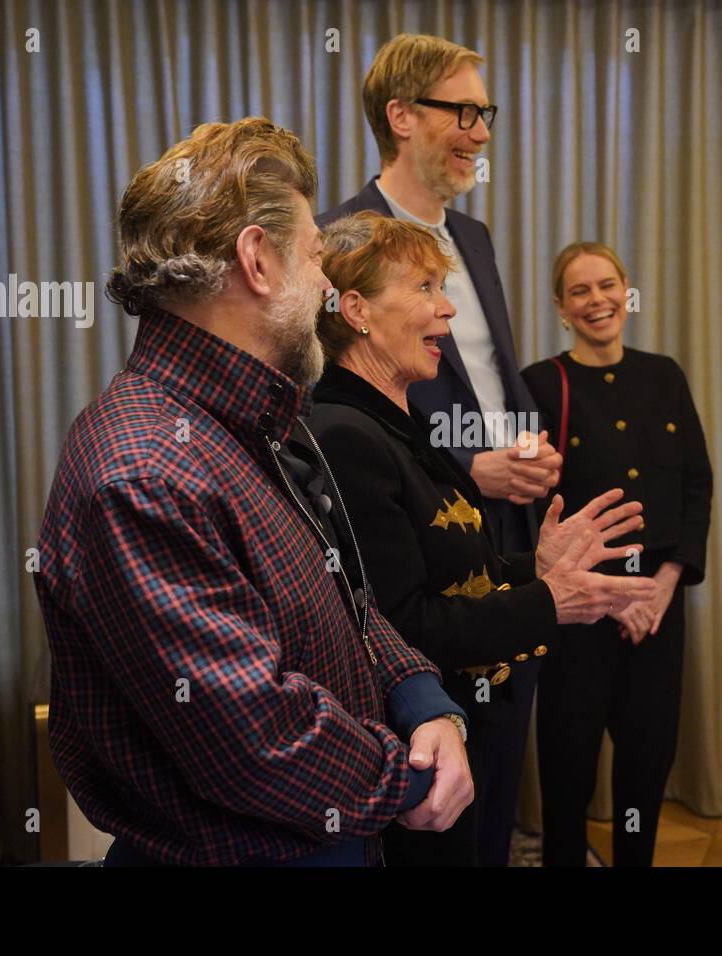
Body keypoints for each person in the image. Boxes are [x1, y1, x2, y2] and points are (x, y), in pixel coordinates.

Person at [34, 118, 474, 867]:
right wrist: (410, 777)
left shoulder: (265, 421)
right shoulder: (144, 469)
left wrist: (422, 701)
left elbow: (350, 606)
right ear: (258, 261)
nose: (329, 284)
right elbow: (254, 738)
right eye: (314, 256)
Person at [307, 212, 656, 865]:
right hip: (416, 752)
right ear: (356, 309)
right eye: (424, 289)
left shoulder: (394, 428)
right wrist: (551, 600)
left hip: (467, 724)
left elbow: (456, 572)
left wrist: (534, 565)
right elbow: (401, 625)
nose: (446, 312)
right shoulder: (346, 436)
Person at [318, 33, 558, 865]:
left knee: (498, 759)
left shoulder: (476, 238)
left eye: (483, 113)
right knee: (439, 790)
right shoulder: (336, 242)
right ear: (401, 116)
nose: (482, 131)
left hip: (512, 528)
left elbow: (492, 375)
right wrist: (470, 466)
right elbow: (337, 408)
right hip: (417, 544)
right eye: (464, 111)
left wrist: (528, 443)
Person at [520, 241, 714, 866]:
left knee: (646, 762)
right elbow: (532, 509)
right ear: (561, 307)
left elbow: (696, 483)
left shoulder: (664, 374)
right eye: (580, 291)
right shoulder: (541, 383)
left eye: (607, 285)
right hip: (578, 612)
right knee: (567, 764)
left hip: (658, 606)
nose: (597, 300)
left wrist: (666, 581)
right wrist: (605, 597)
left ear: (626, 290)